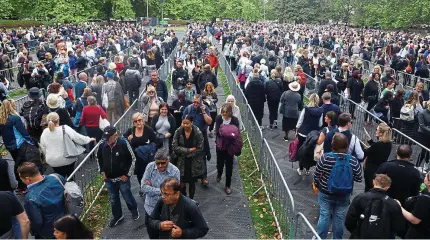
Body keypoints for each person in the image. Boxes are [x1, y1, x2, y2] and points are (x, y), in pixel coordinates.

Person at [313, 133, 363, 239]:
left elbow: (316, 174)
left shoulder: (326, 158)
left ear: (333, 145)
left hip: (326, 192)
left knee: (324, 215)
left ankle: (320, 237)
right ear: (346, 145)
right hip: (344, 194)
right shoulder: (353, 160)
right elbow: (359, 178)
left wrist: (317, 184)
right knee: (339, 217)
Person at [97, 126, 139, 227]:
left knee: (127, 195)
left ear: (115, 136)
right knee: (113, 198)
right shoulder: (102, 145)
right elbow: (98, 159)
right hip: (109, 179)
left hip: (122, 178)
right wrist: (102, 172)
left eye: (108, 138)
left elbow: (132, 159)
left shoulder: (124, 143)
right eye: (105, 137)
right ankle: (117, 215)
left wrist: (127, 174)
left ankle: (134, 209)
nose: (106, 140)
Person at [344, 174, 404, 239]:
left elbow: (350, 219)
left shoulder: (360, 198)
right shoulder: (393, 204)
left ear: (373, 182)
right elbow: (399, 226)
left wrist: (356, 232)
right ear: (387, 187)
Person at [18, 162, 66, 239]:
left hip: (49, 231)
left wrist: (33, 231)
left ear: (28, 179)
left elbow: (36, 221)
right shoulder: (57, 177)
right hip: (66, 220)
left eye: (21, 178)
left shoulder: (30, 198)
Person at [0, 99, 39, 194]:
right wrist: (32, 142)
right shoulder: (15, 118)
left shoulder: (2, 119)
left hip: (9, 145)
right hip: (19, 144)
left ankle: (22, 184)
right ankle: (23, 185)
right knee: (21, 164)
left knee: (17, 163)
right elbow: (23, 132)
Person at [41, 112, 95, 178]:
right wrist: (88, 139)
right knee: (71, 176)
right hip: (67, 158)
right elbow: (78, 138)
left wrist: (47, 156)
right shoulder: (65, 128)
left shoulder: (45, 132)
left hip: (52, 161)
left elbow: (43, 147)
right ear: (58, 119)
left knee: (60, 177)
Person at [142, 150, 180, 239]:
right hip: (150, 209)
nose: (160, 166)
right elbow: (143, 187)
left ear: (168, 161)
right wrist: (165, 192)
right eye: (157, 163)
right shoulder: (150, 167)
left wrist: (151, 189)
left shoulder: (175, 171)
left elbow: (175, 193)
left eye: (163, 163)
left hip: (167, 210)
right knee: (152, 235)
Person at [123, 112, 157, 197]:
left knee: (149, 173)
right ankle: (142, 187)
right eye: (136, 121)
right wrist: (128, 139)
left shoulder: (148, 130)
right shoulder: (131, 131)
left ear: (143, 121)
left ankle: (149, 187)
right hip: (136, 158)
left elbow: (155, 142)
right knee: (139, 174)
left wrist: (150, 149)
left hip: (147, 157)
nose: (138, 122)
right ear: (133, 122)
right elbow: (123, 140)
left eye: (140, 120)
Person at [182, 95, 212, 186]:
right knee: (190, 155)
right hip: (190, 134)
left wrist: (203, 112)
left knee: (202, 155)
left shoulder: (205, 108)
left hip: (202, 135)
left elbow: (209, 122)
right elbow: (183, 122)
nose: (195, 104)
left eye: (197, 102)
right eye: (194, 102)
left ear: (201, 102)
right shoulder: (188, 109)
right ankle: (191, 175)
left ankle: (204, 177)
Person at [172, 115, 205, 198]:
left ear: (192, 123)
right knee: (181, 182)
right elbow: (174, 147)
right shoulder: (178, 131)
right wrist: (188, 150)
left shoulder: (197, 132)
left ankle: (191, 199)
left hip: (193, 161)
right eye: (184, 123)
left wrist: (190, 154)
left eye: (188, 123)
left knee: (192, 182)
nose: (185, 125)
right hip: (181, 161)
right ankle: (183, 199)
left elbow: (200, 148)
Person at [215, 103, 241, 195]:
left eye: (226, 112)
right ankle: (219, 173)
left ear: (230, 112)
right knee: (220, 162)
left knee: (229, 166)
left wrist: (227, 134)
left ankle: (228, 185)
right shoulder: (219, 118)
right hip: (221, 145)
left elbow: (237, 132)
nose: (224, 114)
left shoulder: (234, 120)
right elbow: (217, 132)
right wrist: (228, 133)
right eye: (223, 112)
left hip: (230, 146)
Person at [296, 93, 323, 175]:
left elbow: (300, 121)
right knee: (310, 152)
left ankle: (300, 168)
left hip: (303, 132)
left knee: (301, 150)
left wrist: (297, 129)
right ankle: (307, 169)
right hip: (313, 135)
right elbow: (320, 124)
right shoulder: (320, 111)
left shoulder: (306, 109)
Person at [396, 172, 430, 239]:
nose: (424, 177)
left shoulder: (425, 199)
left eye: (426, 176)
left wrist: (399, 206)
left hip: (418, 234)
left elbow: (414, 220)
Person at [362, 123, 393, 192]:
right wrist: (370, 141)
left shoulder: (377, 145)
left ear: (381, 133)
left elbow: (365, 152)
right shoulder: (388, 144)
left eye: (377, 129)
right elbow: (376, 149)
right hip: (380, 169)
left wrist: (359, 145)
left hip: (370, 170)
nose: (375, 131)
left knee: (368, 189)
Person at [417, 101, 430, 171]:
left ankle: (426, 163)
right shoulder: (422, 113)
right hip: (423, 134)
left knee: (428, 150)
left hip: (428, 134)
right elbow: (422, 125)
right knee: (423, 150)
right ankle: (417, 165)